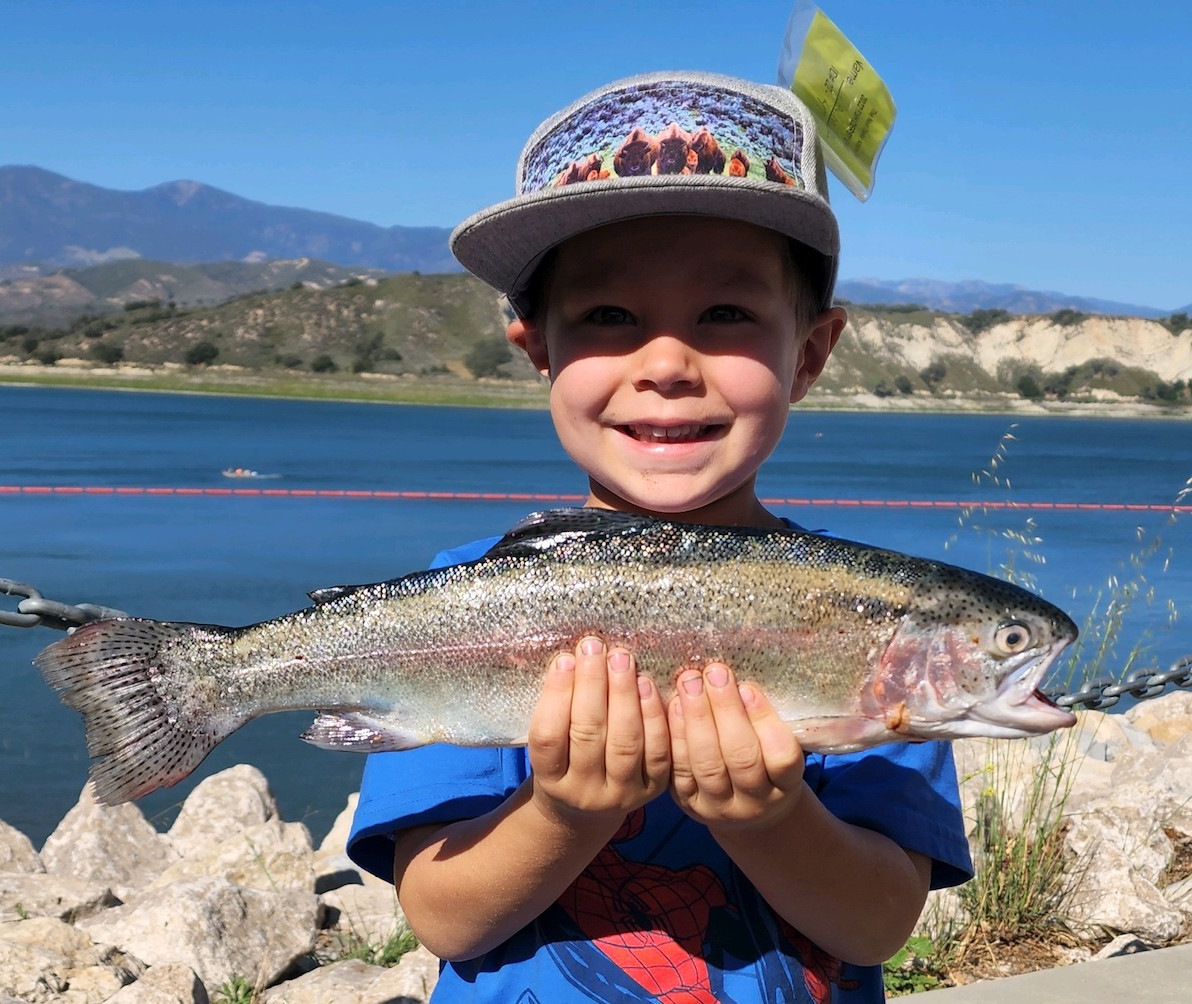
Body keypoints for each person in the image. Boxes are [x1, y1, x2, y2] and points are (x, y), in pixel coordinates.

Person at [348, 70, 973, 1003]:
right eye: (609, 317)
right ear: (539, 352)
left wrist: (773, 820)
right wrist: (561, 811)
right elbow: (445, 916)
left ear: (808, 354)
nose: (667, 364)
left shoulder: (876, 622)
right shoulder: (460, 606)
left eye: (725, 314)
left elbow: (877, 925)